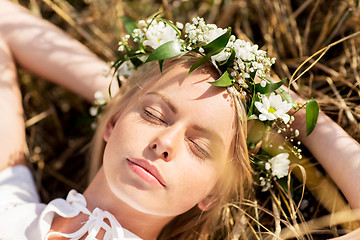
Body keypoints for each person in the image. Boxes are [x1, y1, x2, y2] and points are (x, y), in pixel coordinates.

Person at [0, 0, 360, 239]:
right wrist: (129, 91)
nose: (166, 143)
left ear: (214, 193)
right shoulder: (9, 203)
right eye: (154, 115)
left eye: (200, 147)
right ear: (111, 124)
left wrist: (298, 118)